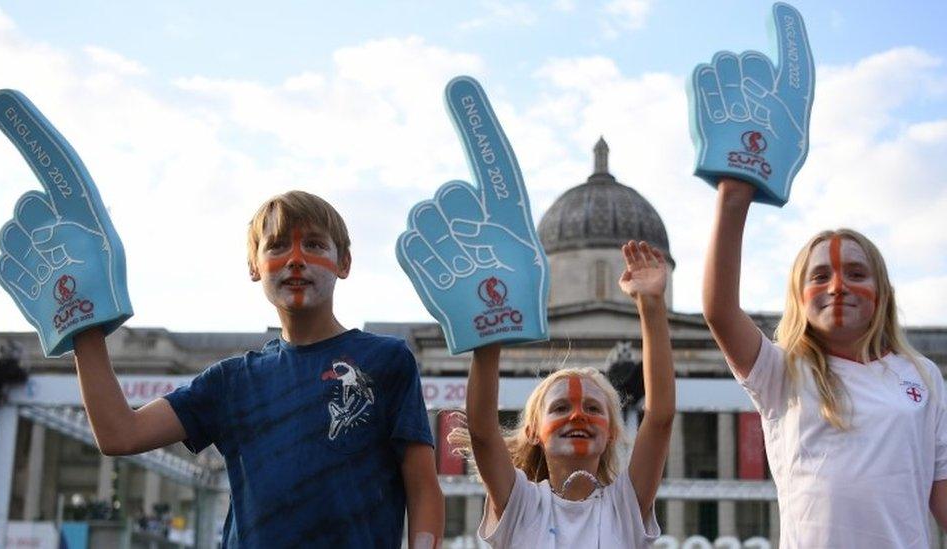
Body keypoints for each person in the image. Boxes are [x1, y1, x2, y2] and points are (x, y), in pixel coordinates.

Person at [71, 190, 443, 547]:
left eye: (314, 244)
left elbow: (423, 486)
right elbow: (119, 434)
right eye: (277, 246)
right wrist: (82, 323)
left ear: (344, 262)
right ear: (254, 265)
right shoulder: (229, 383)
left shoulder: (387, 361)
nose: (296, 259)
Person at [702, 178, 947, 547]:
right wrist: (732, 201)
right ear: (799, 298)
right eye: (820, 276)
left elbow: (940, 486)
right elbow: (720, 311)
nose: (837, 286)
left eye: (856, 274)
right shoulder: (780, 370)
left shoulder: (922, 375)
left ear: (882, 294)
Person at [452, 241, 674, 548]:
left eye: (594, 408)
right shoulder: (521, 504)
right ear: (532, 432)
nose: (577, 414)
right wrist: (490, 337)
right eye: (559, 407)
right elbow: (483, 433)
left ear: (610, 432)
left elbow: (660, 417)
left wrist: (651, 305)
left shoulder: (624, 505)